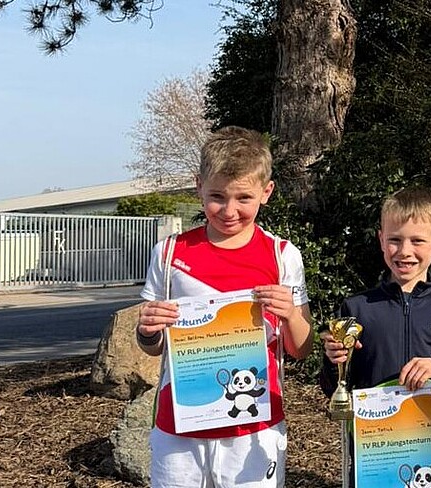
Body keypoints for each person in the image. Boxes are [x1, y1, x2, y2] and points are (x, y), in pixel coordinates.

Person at [135, 126, 315, 487]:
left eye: (243, 198)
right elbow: (152, 346)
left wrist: (292, 314)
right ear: (198, 185)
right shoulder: (169, 252)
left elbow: (301, 348)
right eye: (217, 196)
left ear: (267, 192)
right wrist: (147, 330)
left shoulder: (282, 256)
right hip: (180, 425)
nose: (229, 210)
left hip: (254, 428)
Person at [318, 187, 431, 483]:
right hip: (378, 457)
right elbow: (335, 388)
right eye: (395, 240)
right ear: (381, 239)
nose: (405, 251)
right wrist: (334, 361)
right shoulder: (356, 308)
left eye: (417, 241)